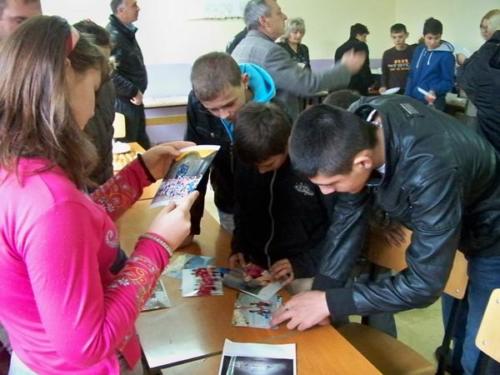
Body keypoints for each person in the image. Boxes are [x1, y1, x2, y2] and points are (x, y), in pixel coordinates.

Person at [0, 15, 197, 374]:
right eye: (92, 90)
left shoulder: (17, 165)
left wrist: (138, 174)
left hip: (33, 357)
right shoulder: (50, 204)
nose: (93, 108)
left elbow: (75, 228)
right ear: (62, 80)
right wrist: (158, 243)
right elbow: (88, 345)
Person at [271, 96, 500, 374]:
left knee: (481, 348)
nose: (326, 192)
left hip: (493, 232)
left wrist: (330, 301)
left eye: (331, 183)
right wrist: (323, 290)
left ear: (363, 162)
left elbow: (423, 284)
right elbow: (348, 217)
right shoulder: (359, 121)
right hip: (457, 216)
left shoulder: (430, 168)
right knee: (457, 325)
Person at [230, 102, 332, 292]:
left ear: (288, 143)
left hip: (305, 271)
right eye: (254, 165)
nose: (260, 171)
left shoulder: (316, 166)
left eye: (268, 164)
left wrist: (304, 263)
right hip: (260, 270)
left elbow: (341, 228)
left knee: (323, 321)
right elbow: (242, 207)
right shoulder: (248, 156)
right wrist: (239, 245)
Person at [185, 52, 276, 243]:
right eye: (213, 109)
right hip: (226, 200)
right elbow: (195, 163)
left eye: (229, 104)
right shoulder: (196, 103)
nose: (223, 115)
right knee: (231, 256)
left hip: (269, 209)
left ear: (244, 81)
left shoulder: (276, 107)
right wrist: (191, 224)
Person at [231, 0, 365, 120]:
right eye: (279, 13)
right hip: (273, 130)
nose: (284, 17)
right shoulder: (271, 51)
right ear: (264, 21)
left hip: (250, 128)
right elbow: (308, 83)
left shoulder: (239, 48)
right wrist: (345, 68)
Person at [74, 19, 116, 187]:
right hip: (82, 185)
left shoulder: (108, 86)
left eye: (106, 62)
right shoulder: (64, 98)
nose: (103, 71)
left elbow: (108, 133)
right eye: (97, 63)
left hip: (104, 180)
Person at [107, 0, 150, 149]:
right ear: (120, 10)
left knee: (141, 147)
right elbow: (108, 74)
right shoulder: (112, 35)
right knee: (130, 149)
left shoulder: (125, 32)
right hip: (124, 103)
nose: (138, 8)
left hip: (132, 101)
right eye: (133, 5)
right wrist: (133, 90)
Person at [458, 9, 500, 152]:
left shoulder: (489, 49)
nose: (483, 31)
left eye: (485, 27)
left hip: (490, 126)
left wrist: (464, 63)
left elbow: (467, 81)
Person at [405, 17, 455, 111]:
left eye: (437, 38)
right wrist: (406, 97)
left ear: (441, 35)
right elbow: (411, 75)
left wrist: (434, 89)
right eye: (429, 38)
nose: (433, 42)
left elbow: (448, 82)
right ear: (424, 36)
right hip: (414, 99)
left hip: (433, 103)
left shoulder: (446, 56)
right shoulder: (419, 50)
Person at [334, 23, 374, 96]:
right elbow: (364, 67)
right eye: (364, 37)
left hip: (343, 87)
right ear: (358, 35)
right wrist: (370, 83)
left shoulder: (339, 49)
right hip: (358, 86)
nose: (365, 40)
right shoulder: (362, 45)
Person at [379, 23, 416, 94]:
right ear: (391, 37)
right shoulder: (387, 54)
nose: (397, 40)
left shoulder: (413, 52)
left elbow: (417, 72)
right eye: (394, 37)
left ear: (406, 35)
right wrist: (383, 86)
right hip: (392, 91)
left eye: (400, 37)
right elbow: (384, 73)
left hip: (409, 90)